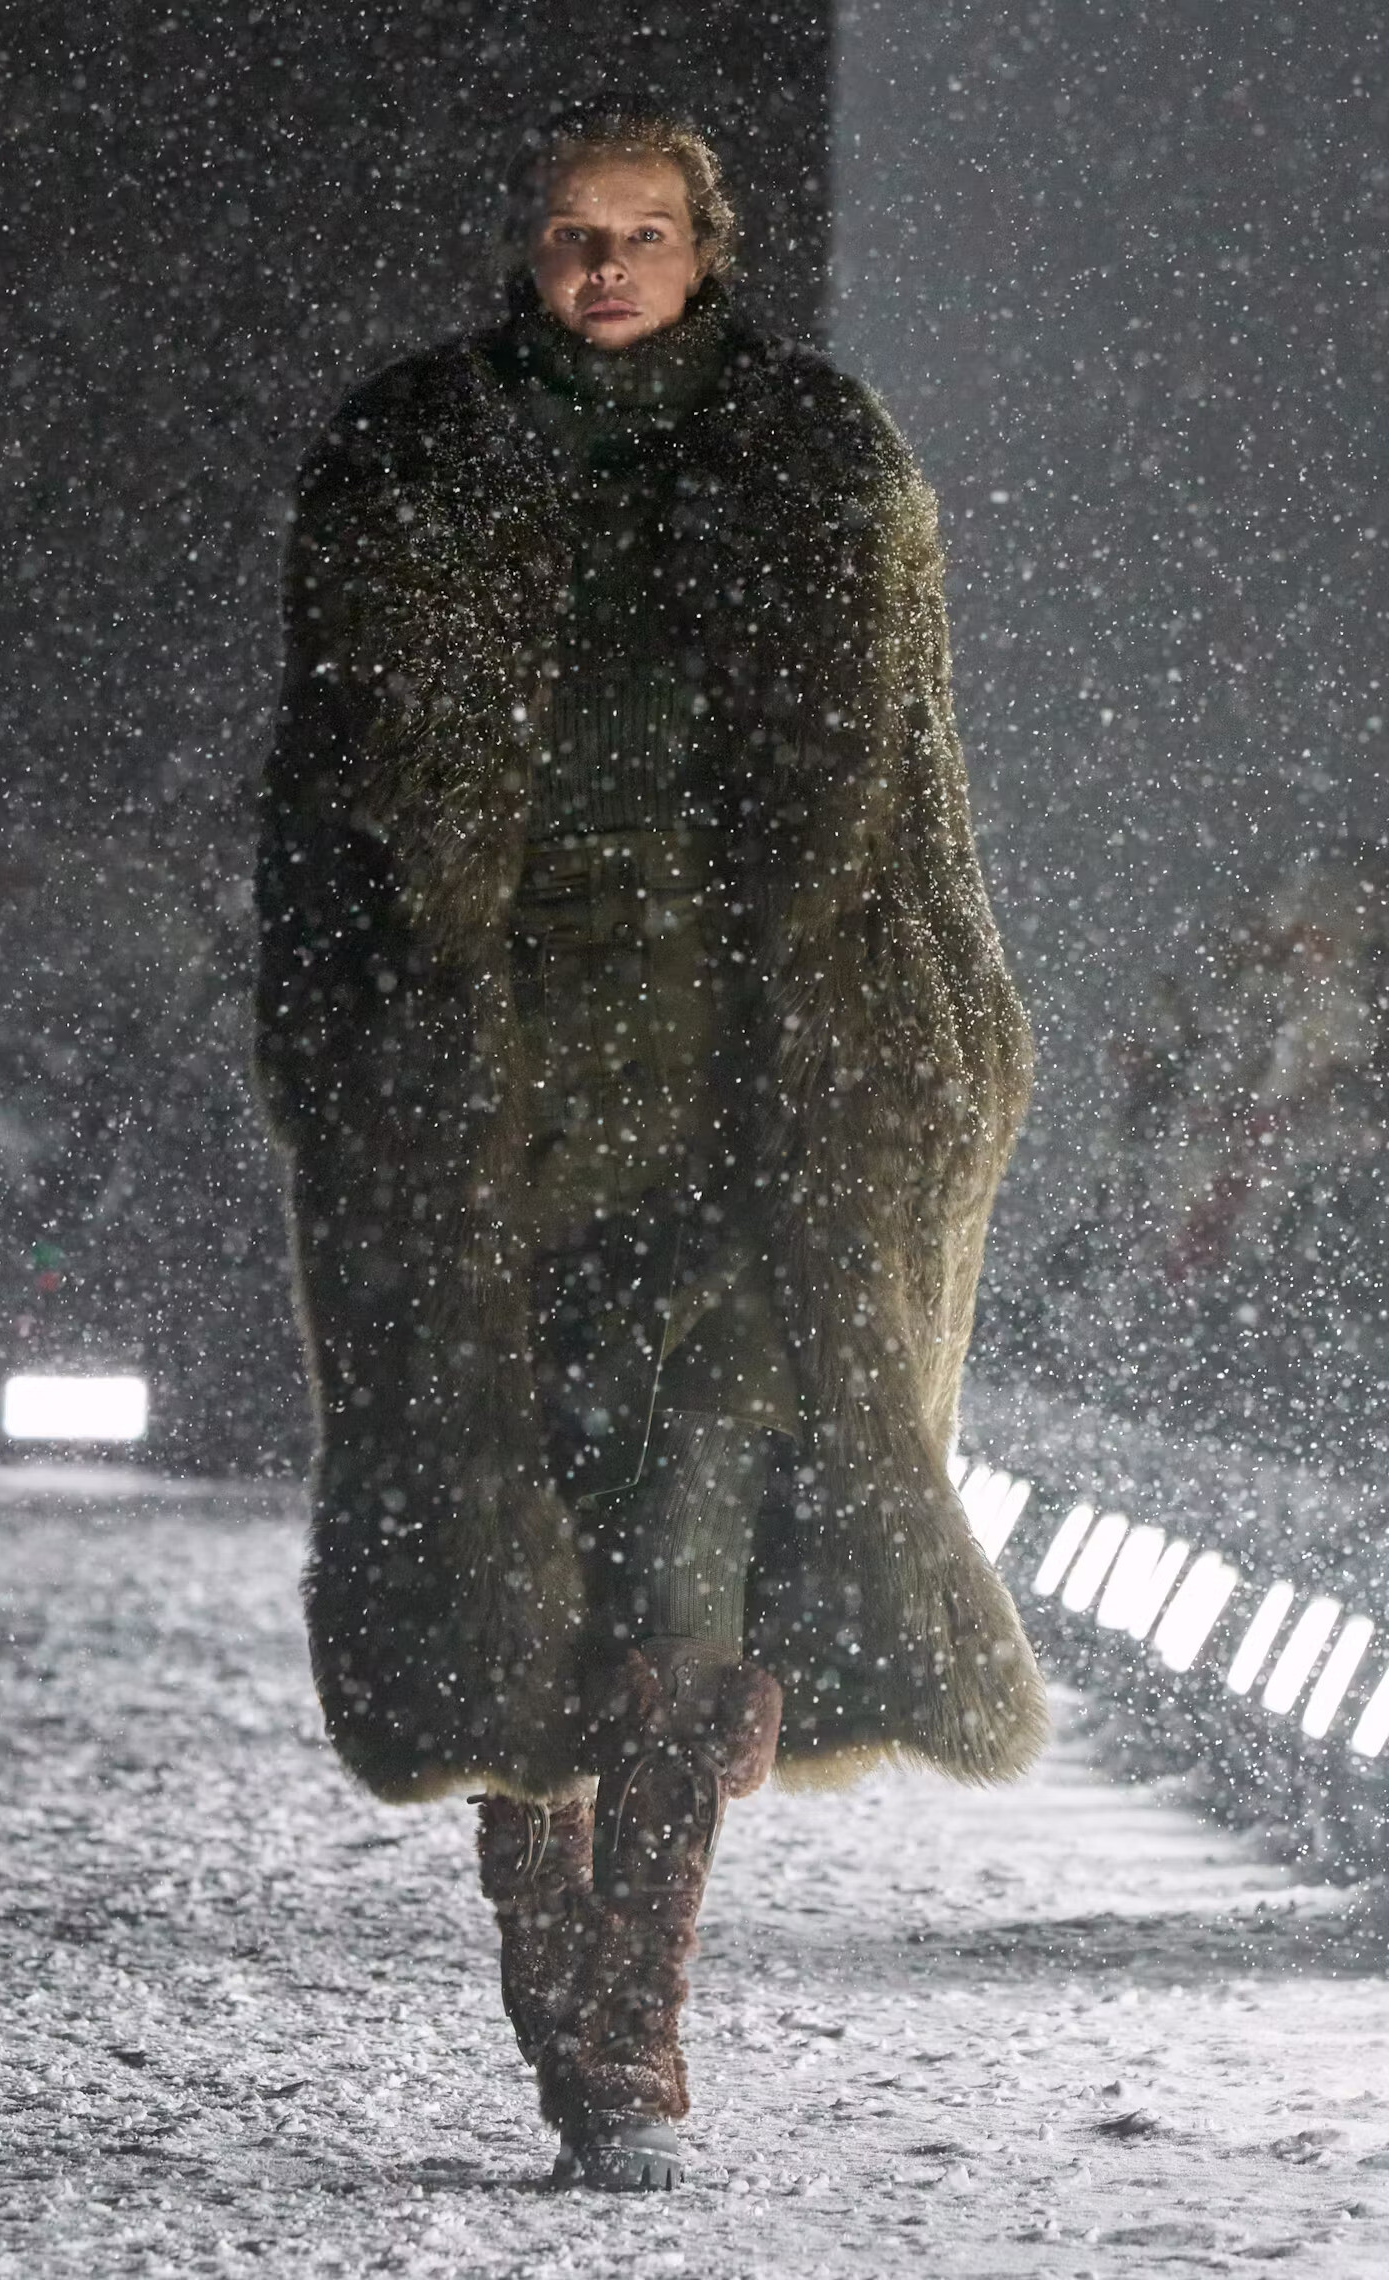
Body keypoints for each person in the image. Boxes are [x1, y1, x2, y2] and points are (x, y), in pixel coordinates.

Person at [255, 105, 1046, 2192]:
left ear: (709, 246)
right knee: (514, 1570)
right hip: (490, 1109)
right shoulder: (413, 464)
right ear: (530, 251)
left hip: (742, 1112)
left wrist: (942, 1049)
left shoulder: (819, 468)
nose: (604, 268)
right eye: (570, 233)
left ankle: (635, 2035)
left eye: (644, 233)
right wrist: (346, 1059)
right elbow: (324, 830)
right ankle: (562, 1995)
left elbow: (913, 817)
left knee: (696, 1565)